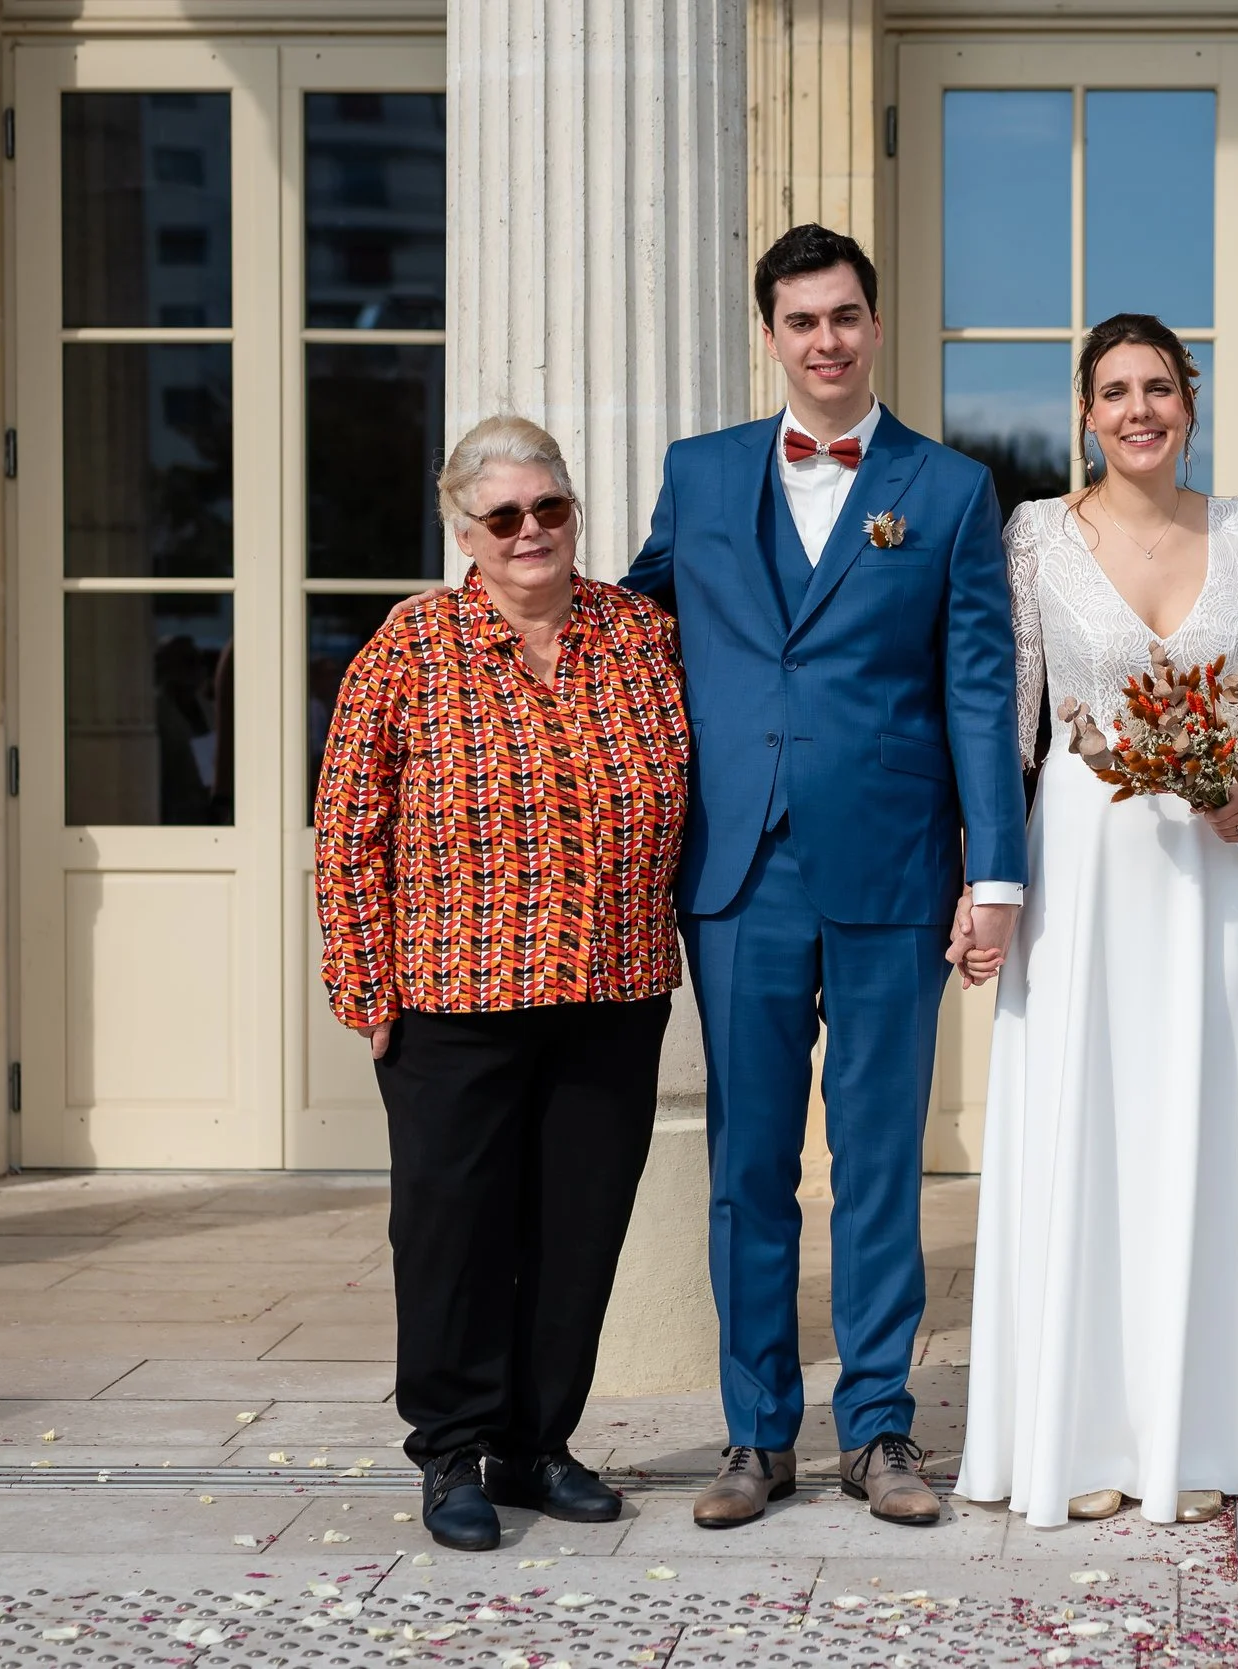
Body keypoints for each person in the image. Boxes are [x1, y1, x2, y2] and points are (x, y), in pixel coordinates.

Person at [622, 225, 1029, 1531]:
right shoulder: (698, 478)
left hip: (893, 867)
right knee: (748, 1162)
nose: (828, 340)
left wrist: (997, 871)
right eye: (803, 320)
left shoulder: (950, 490)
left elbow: (979, 687)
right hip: (736, 872)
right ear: (770, 333)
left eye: (847, 315)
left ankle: (879, 1430)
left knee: (877, 1162)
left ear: (873, 321)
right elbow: (629, 631)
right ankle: (755, 1434)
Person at [952, 315, 1238, 1529]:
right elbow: (1006, 724)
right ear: (1086, 414)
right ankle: (1087, 1425)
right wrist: (988, 884)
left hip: (1212, 880)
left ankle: (1203, 1423)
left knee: (1205, 1133)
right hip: (1085, 874)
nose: (1139, 409)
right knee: (1087, 1131)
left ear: (1190, 400)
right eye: (1116, 392)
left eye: (1159, 386)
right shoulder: (1035, 535)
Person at [315, 416, 691, 1552]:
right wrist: (363, 990)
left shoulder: (640, 634)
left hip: (613, 986)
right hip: (452, 997)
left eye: (550, 509)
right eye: (504, 516)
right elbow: (347, 826)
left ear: (575, 513)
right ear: (465, 532)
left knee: (577, 1230)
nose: (532, 533)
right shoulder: (411, 646)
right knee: (452, 1231)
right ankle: (449, 1451)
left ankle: (536, 1445)